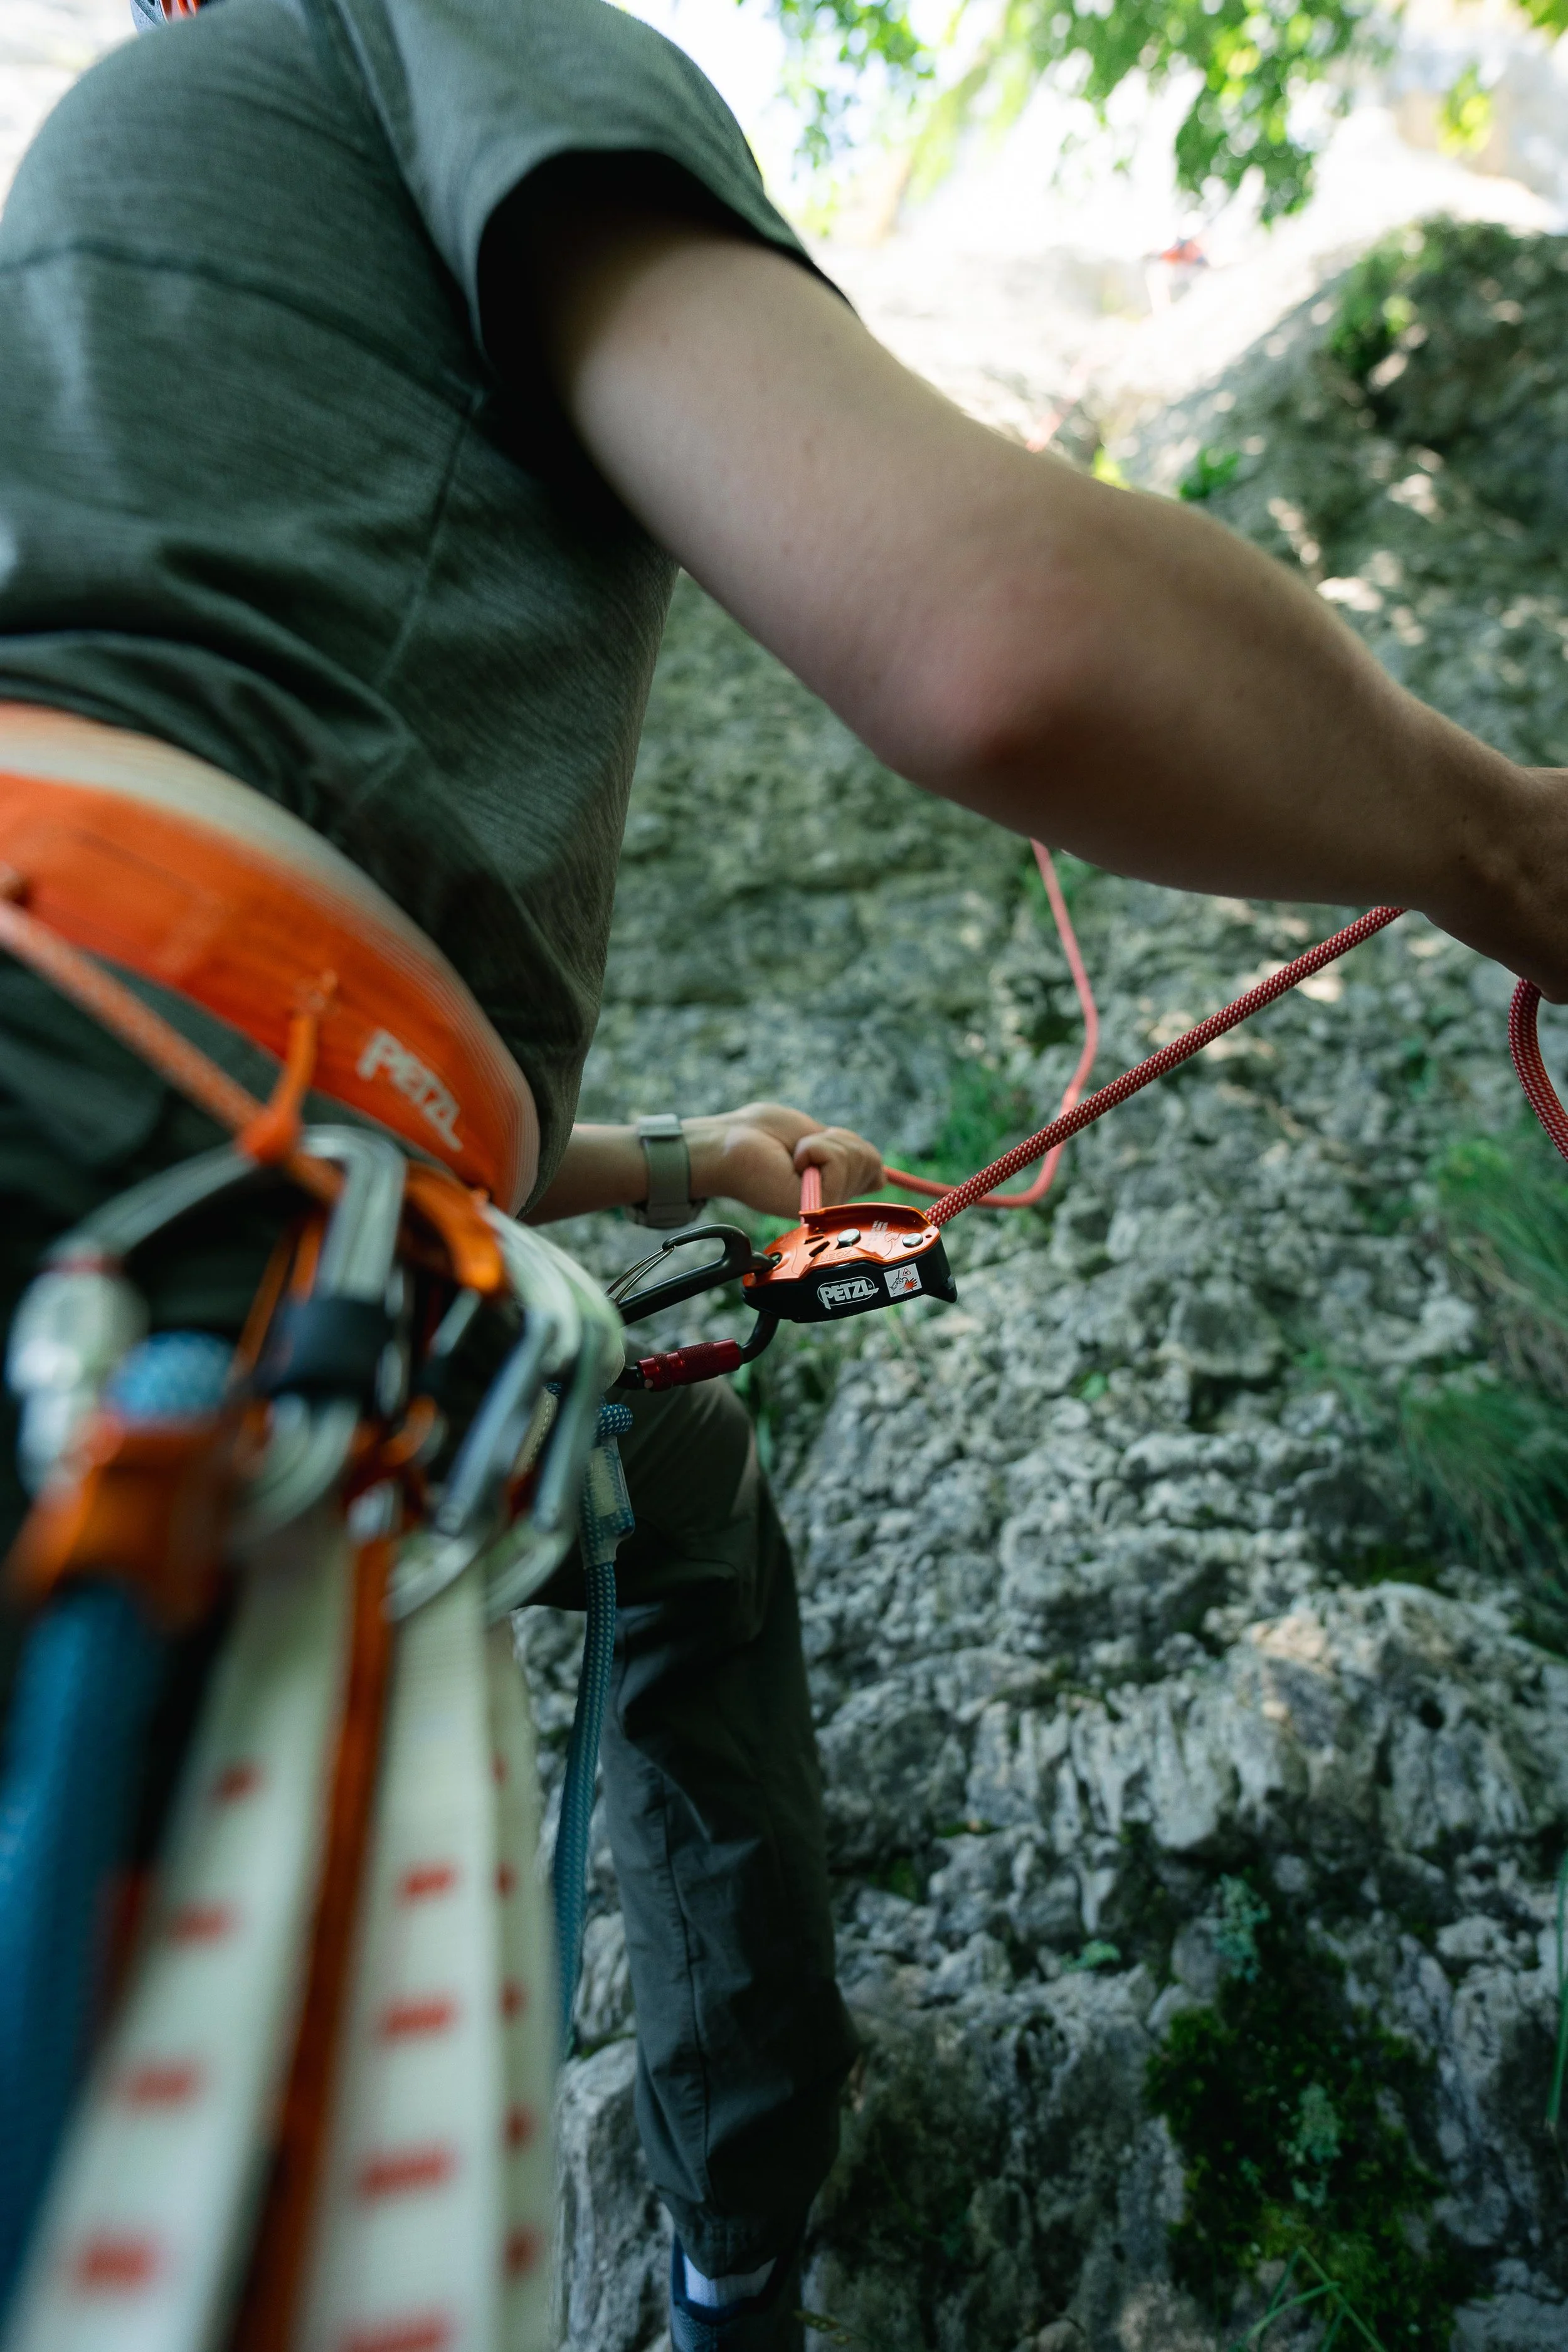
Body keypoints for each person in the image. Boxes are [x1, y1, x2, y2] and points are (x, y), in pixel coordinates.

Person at [0, 0, 1562, 2344]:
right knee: (678, 1494)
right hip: (199, 1174)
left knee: (679, 1440)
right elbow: (994, 634)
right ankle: (741, 2226)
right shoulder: (407, 36)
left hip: (219, 1126)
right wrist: (1510, 848)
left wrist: (677, 1167)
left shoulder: (104, 209)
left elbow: (217, 882)